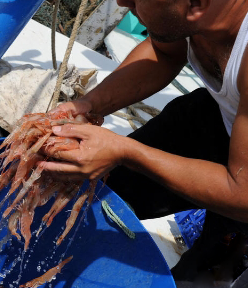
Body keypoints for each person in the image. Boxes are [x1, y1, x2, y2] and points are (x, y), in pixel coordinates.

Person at [40, 0, 248, 286]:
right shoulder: (193, 16)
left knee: (205, 264)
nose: (121, 2)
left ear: (197, 5)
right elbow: (165, 52)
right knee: (110, 191)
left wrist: (124, 151)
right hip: (219, 118)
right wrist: (89, 105)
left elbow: (243, 194)